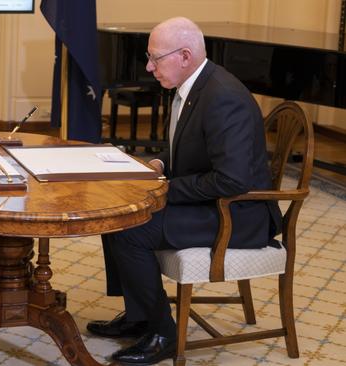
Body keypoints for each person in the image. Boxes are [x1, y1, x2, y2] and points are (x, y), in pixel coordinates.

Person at [86, 17, 282, 365]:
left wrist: (164, 189)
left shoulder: (223, 97)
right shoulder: (194, 87)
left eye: (155, 58)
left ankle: (162, 333)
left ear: (185, 56)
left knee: (132, 228)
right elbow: (189, 148)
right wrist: (161, 163)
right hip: (214, 202)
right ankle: (140, 317)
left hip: (238, 214)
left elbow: (232, 181)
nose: (149, 67)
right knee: (117, 213)